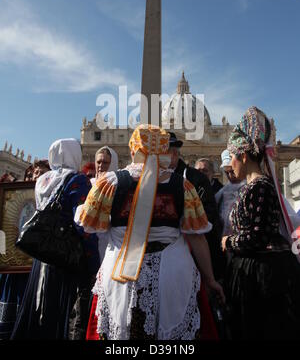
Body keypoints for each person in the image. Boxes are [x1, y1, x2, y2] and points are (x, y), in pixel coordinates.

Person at [75, 124, 224, 340]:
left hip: (120, 276)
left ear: (133, 148)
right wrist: (210, 279)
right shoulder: (183, 186)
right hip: (173, 276)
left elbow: (90, 224)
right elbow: (197, 236)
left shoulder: (109, 183)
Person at [221, 106, 300, 340]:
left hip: (263, 277)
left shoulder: (260, 186)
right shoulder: (255, 186)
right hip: (255, 271)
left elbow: (258, 236)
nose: (230, 165)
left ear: (243, 156)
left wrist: (228, 241)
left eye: (232, 157)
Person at [11, 138, 100, 340]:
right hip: (63, 255)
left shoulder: (44, 180)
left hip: (41, 255)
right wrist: (93, 260)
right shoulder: (77, 180)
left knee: (38, 307)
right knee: (60, 311)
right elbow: (82, 224)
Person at [0, 160, 50, 340]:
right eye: (34, 173)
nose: (37, 176)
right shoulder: (15, 196)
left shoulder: (49, 201)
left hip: (34, 267)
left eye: (42, 172)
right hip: (12, 264)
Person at [167, 133, 224, 281]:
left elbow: (209, 215)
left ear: (174, 153)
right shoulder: (154, 176)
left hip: (192, 252)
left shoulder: (196, 178)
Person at [215, 150, 246, 238]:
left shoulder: (252, 187)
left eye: (232, 171)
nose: (230, 176)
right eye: (226, 172)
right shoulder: (222, 192)